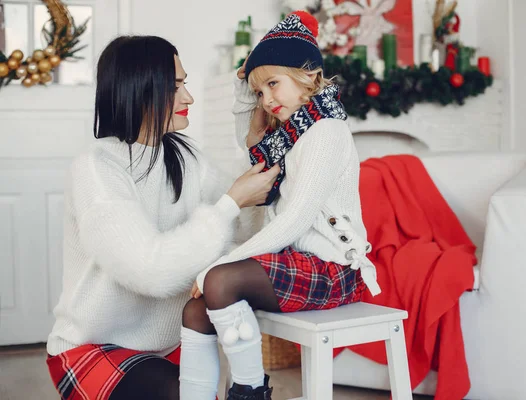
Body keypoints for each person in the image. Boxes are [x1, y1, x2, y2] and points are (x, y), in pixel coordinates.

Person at [45, 35, 279, 400]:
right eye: (176, 87)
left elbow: (243, 228)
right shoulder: (96, 168)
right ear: (139, 89)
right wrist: (232, 201)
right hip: (94, 348)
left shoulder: (186, 158)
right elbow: (150, 271)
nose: (189, 97)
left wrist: (256, 151)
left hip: (172, 345)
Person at [179, 11, 381, 400]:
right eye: (259, 93)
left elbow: (295, 221)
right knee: (195, 312)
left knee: (220, 280)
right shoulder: (289, 134)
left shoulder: (326, 131)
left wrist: (215, 266)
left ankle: (250, 392)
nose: (266, 100)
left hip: (334, 271)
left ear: (306, 75)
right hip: (300, 263)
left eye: (273, 84)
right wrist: (245, 85)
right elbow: (249, 144)